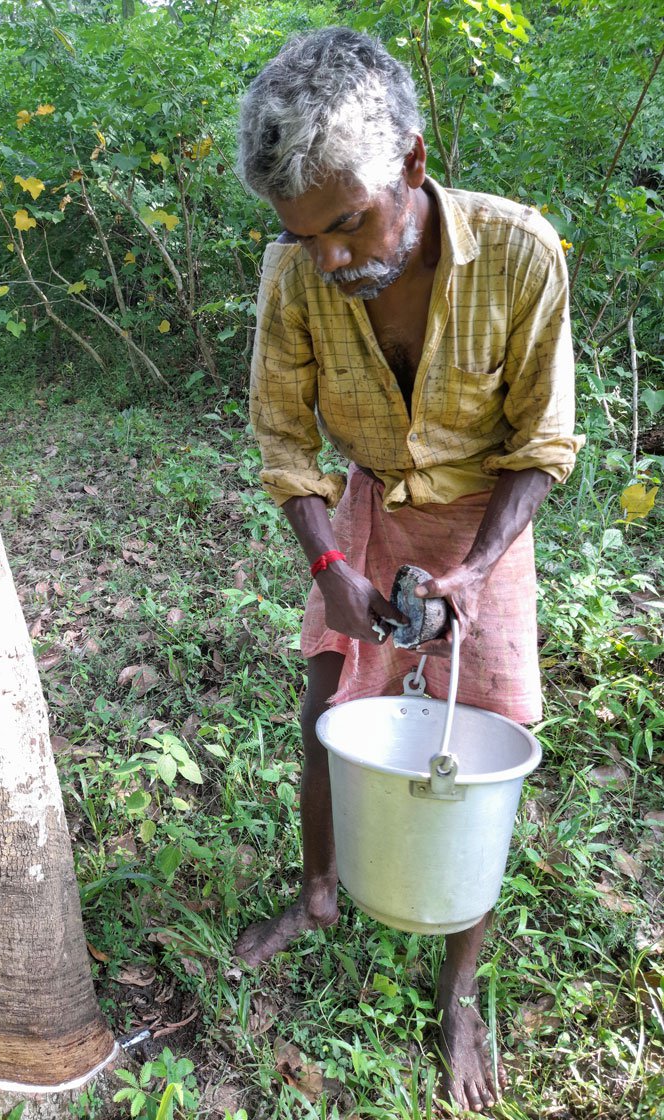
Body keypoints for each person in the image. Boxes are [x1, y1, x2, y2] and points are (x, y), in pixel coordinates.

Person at [235, 26, 583, 1112]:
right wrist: (333, 560)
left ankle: (462, 986)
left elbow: (542, 445)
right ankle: (320, 890)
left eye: (347, 225)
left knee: (483, 745)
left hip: (487, 527)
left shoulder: (521, 255)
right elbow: (285, 440)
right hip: (368, 513)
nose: (331, 262)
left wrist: (475, 574)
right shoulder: (296, 272)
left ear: (414, 167)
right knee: (328, 699)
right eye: (306, 237)